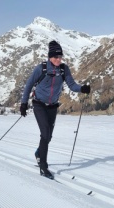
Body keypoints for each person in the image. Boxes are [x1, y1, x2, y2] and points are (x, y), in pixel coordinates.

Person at [20, 40, 90, 179]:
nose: (58, 60)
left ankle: (39, 153)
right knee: (45, 133)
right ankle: (43, 166)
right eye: (55, 57)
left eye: (60, 57)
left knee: (49, 136)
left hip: (53, 106)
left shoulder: (64, 69)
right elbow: (28, 85)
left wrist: (82, 89)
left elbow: (71, 85)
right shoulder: (41, 68)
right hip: (39, 104)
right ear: (50, 57)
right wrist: (23, 103)